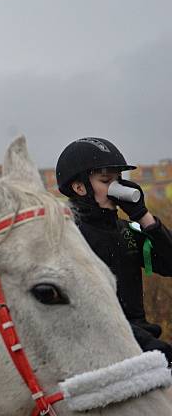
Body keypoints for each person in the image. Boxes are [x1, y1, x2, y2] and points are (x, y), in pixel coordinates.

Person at [56, 137, 172, 363]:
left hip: (141, 343)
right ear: (79, 187)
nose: (118, 188)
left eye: (119, 180)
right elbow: (89, 310)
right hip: (100, 350)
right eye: (107, 180)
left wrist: (143, 216)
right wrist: (153, 349)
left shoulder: (126, 229)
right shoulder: (70, 236)